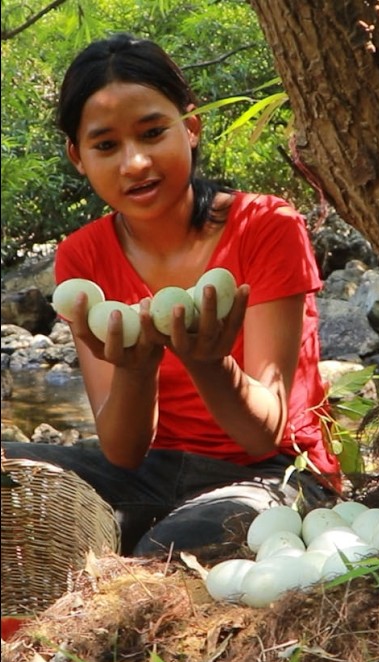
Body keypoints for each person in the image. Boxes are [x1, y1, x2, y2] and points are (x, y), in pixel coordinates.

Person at [1, 34, 340, 555]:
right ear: (78, 157)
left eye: (153, 132)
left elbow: (263, 434)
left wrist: (210, 363)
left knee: (167, 552)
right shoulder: (82, 256)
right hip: (151, 474)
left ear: (191, 128)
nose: (135, 163)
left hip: (279, 473)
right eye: (106, 145)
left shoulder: (265, 226)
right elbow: (122, 450)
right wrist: (138, 368)